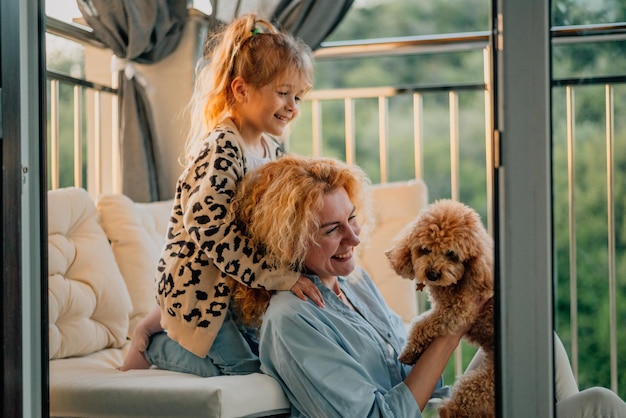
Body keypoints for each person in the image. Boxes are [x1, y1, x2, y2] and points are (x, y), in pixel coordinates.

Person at [229, 154, 626, 417]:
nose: (353, 238)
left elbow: (417, 375)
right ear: (287, 241)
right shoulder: (291, 321)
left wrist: (469, 312)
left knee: (537, 339)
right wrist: (452, 329)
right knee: (600, 406)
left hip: (433, 407)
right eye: (333, 229)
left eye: (352, 218)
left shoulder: (353, 281)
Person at [119, 14, 324, 376]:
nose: (292, 106)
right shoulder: (222, 148)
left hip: (236, 289)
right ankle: (156, 345)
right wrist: (276, 277)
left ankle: (165, 321)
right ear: (241, 90)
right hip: (200, 291)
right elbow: (207, 225)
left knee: (269, 359)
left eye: (298, 96)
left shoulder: (271, 150)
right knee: (241, 370)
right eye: (282, 93)